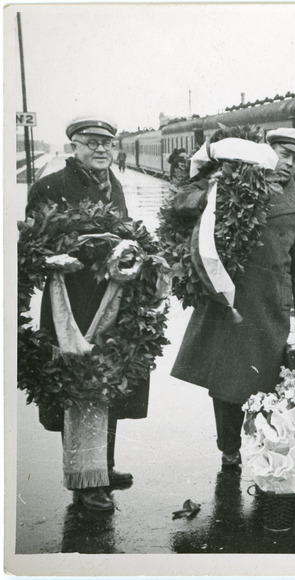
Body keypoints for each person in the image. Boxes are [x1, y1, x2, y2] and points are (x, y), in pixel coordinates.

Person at [171, 127, 295, 469]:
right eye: (284, 153)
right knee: (226, 382)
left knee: (264, 383)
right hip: (229, 300)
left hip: (269, 307)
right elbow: (183, 206)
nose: (289, 164)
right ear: (267, 151)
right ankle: (229, 448)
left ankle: (261, 447)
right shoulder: (232, 184)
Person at [27, 115, 147, 511]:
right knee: (79, 383)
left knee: (107, 381)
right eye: (91, 142)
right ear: (73, 147)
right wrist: (51, 257)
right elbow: (30, 245)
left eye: (106, 143)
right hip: (72, 303)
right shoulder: (49, 187)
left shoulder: (114, 187)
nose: (100, 149)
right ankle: (85, 483)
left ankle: (103, 467)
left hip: (111, 298)